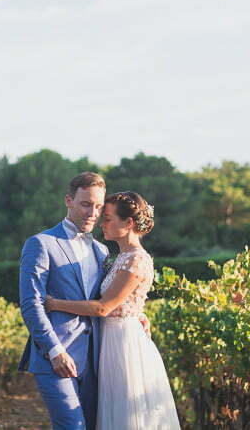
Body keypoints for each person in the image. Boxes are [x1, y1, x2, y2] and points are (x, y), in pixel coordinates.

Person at [18, 172, 150, 430]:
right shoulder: (41, 244)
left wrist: (136, 313)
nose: (93, 212)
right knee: (72, 426)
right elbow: (31, 303)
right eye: (86, 203)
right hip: (55, 356)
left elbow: (110, 298)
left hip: (98, 359)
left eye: (99, 206)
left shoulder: (102, 250)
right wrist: (54, 351)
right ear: (69, 200)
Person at [44, 191, 181, 430]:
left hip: (124, 345)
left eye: (107, 218)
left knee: (126, 413)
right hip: (110, 340)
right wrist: (138, 312)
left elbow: (103, 307)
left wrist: (55, 304)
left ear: (128, 223)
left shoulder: (136, 259)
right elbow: (124, 300)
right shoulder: (119, 256)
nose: (101, 222)